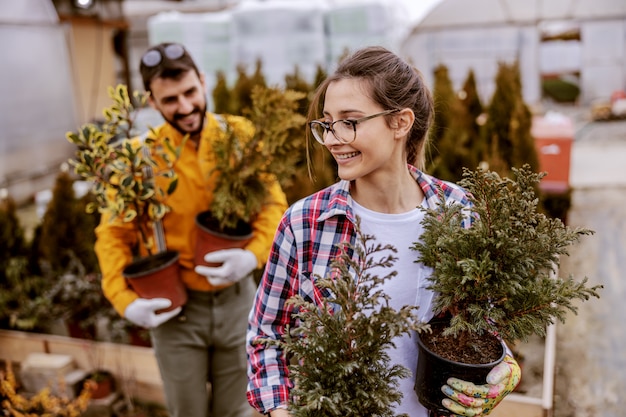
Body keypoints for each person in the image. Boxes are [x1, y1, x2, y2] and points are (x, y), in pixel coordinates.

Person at [246, 46, 520, 417]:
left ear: (400, 123)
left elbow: (481, 322)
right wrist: (281, 411)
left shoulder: (459, 211)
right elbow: (267, 336)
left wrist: (503, 365)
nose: (331, 138)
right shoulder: (305, 223)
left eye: (350, 121)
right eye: (327, 123)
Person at [95, 42, 288, 417]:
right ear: (152, 101)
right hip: (176, 310)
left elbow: (272, 206)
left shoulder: (239, 136)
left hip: (238, 303)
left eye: (190, 93)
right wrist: (126, 300)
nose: (184, 107)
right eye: (170, 100)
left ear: (202, 81)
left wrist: (251, 256)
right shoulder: (139, 158)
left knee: (240, 409)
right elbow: (113, 235)